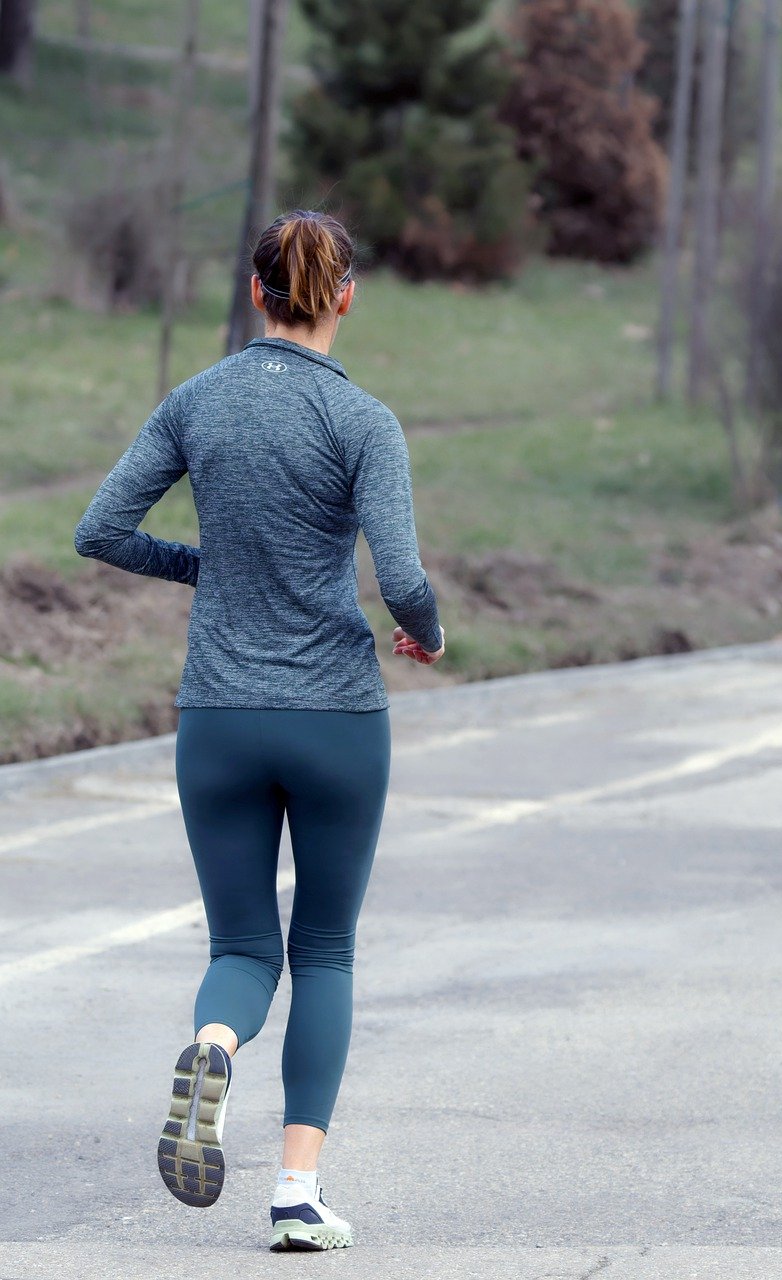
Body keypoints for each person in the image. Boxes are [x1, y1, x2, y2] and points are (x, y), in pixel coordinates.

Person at [73, 208, 446, 1251]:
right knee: (322, 946)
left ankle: (214, 1042)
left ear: (254, 293)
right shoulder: (364, 419)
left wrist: (208, 569)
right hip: (333, 716)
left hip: (219, 716)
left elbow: (99, 529)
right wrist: (425, 632)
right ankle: (295, 1189)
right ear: (345, 297)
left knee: (242, 943)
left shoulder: (198, 399)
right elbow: (404, 576)